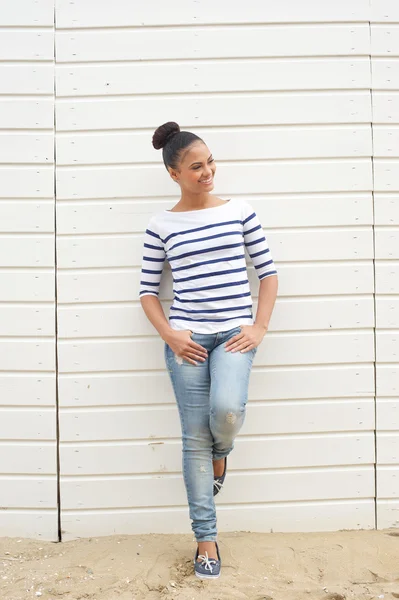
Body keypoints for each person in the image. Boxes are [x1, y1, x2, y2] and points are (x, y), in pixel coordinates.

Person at [139, 121, 278, 579]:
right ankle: (206, 539)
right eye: (196, 167)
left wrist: (259, 326)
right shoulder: (161, 224)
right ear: (174, 174)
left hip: (235, 334)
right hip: (187, 341)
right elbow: (146, 292)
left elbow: (268, 273)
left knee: (226, 414)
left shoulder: (239, 211)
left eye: (210, 162)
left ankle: (223, 452)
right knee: (192, 439)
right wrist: (170, 334)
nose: (207, 172)